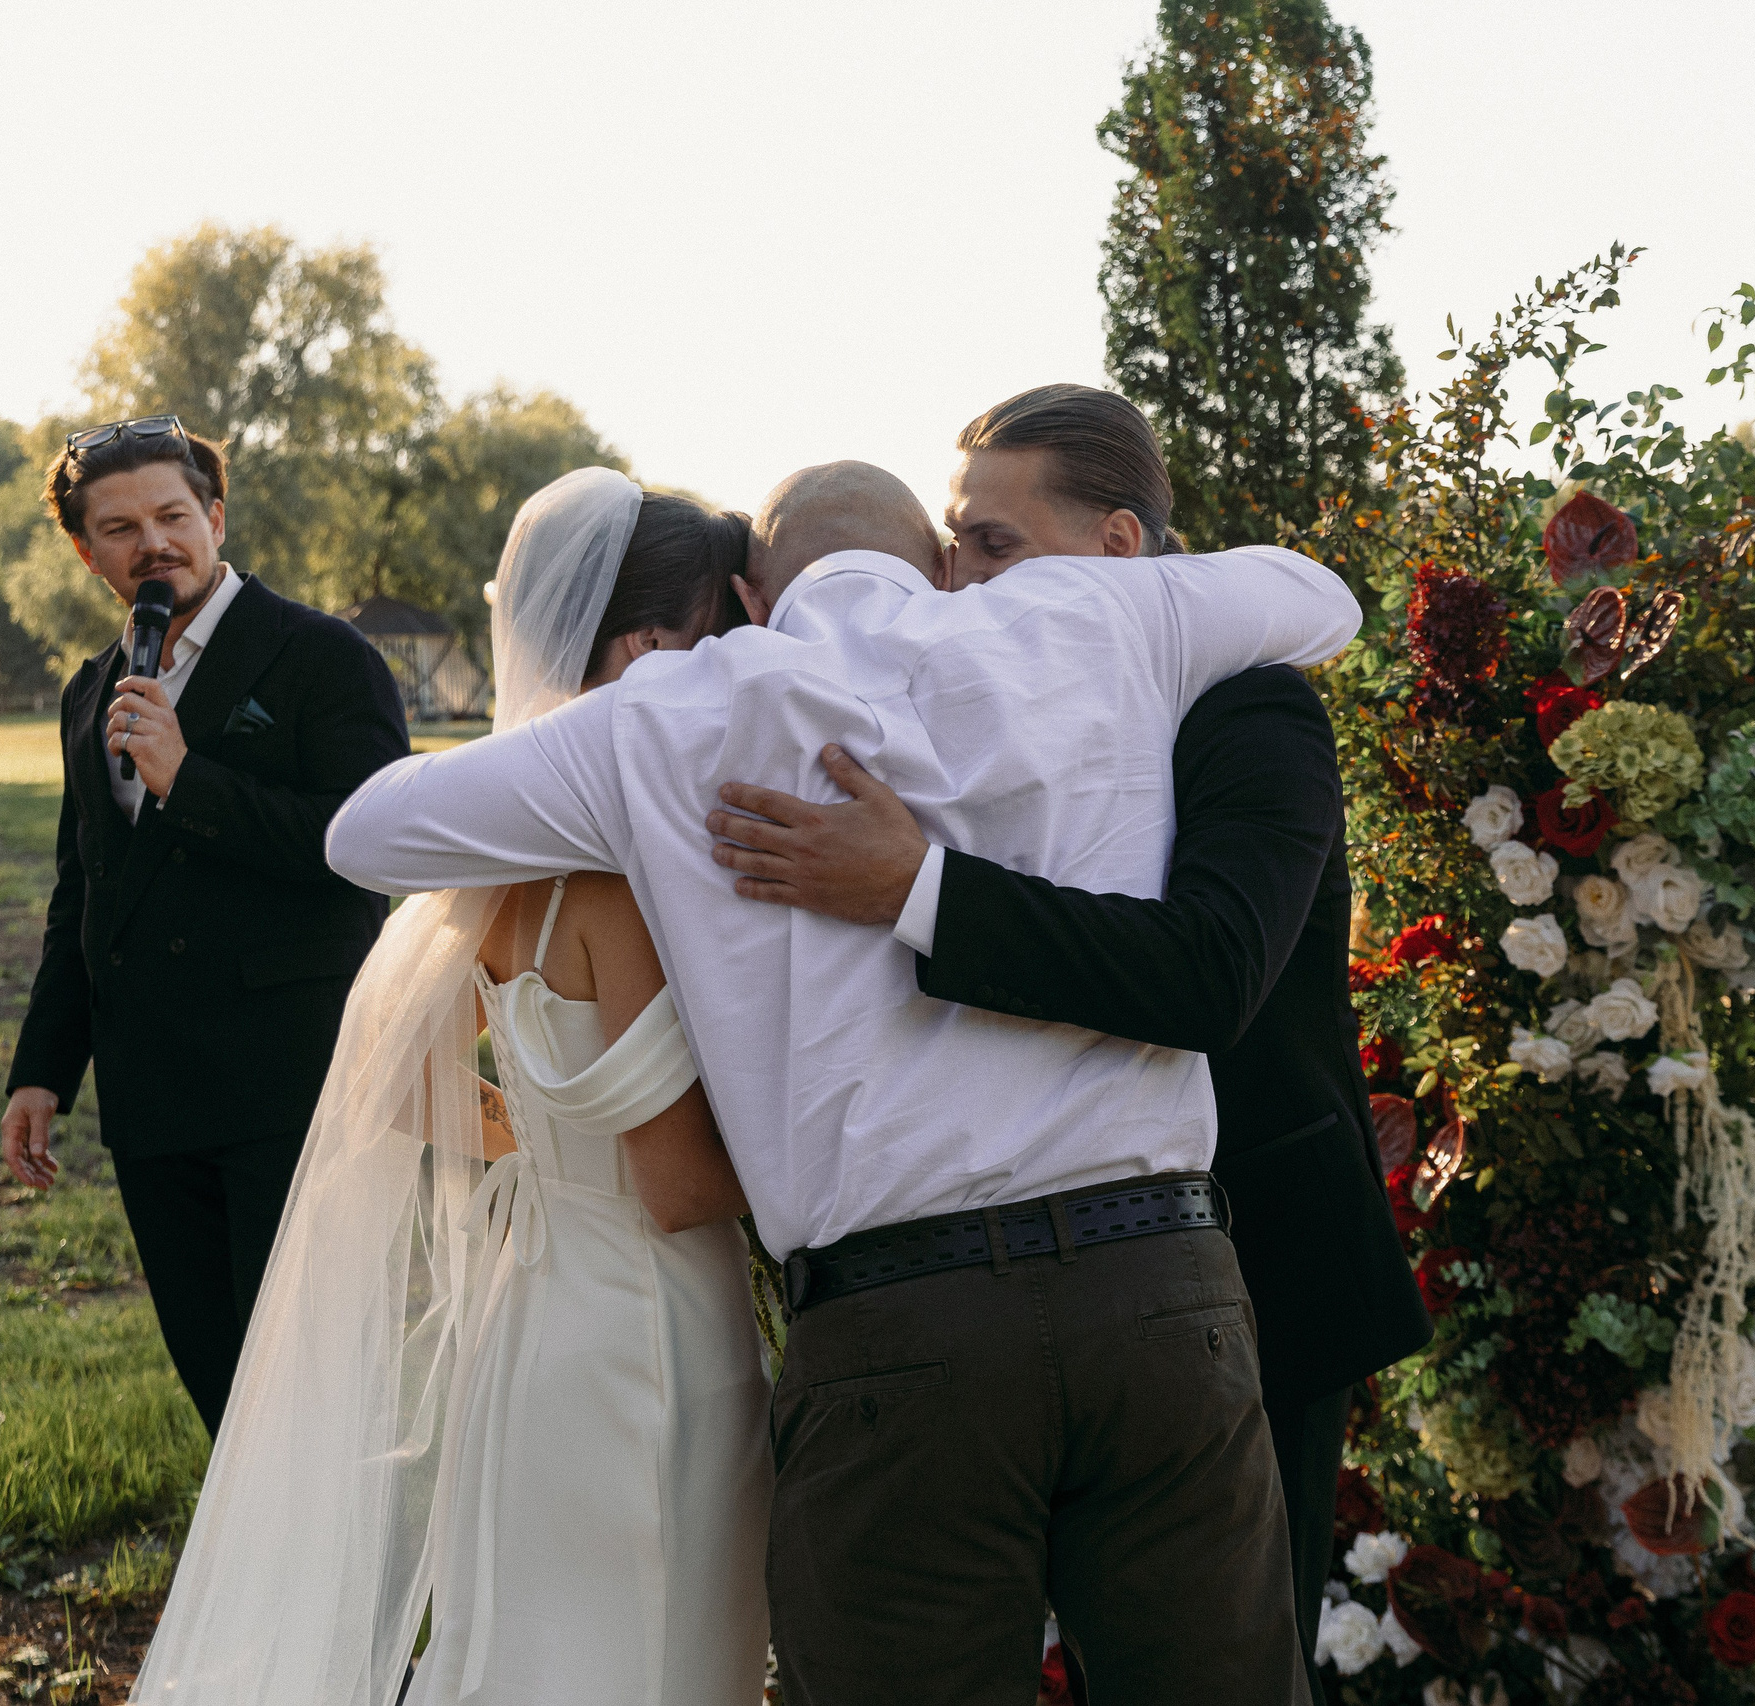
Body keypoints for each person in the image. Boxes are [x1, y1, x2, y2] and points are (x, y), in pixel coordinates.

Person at [322, 458, 1362, 1706]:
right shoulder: (1099, 609)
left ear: (755, 593)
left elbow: (367, 831)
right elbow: (1321, 600)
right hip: (1158, 1287)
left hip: (901, 1332)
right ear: (933, 557)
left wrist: (635, 740)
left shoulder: (674, 715)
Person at [704, 384, 1431, 1702]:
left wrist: (917, 887)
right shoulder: (958, 710)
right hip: (1002, 1311)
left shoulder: (1250, 708)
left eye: (990, 546)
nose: (954, 582)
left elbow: (1211, 972)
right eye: (949, 547)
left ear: (1116, 552)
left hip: (1256, 1269)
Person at [131, 470, 773, 1706]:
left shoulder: (491, 857)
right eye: (720, 639)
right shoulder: (614, 881)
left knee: (545, 1649)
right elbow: (684, 1184)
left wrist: (548, 1148)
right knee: (655, 1657)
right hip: (650, 1337)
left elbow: (406, 1091)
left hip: (532, 1316)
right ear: (646, 646)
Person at [0, 416, 408, 1435]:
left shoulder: (324, 657)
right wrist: (43, 1067)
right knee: (224, 1396)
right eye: (122, 526)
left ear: (215, 516)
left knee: (313, 1393)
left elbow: (373, 847)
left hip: (290, 1085)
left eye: (174, 515)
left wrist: (193, 782)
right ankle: (253, 1591)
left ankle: (338, 1591)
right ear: (89, 551)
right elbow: (82, 888)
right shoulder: (89, 691)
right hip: (153, 1100)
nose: (155, 544)